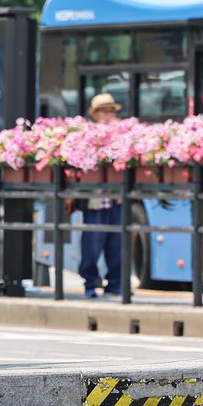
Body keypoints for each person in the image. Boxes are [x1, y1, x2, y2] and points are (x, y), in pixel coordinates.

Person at [80, 92, 124, 298]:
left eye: (111, 111)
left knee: (117, 245)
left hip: (116, 199)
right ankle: (90, 283)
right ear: (95, 114)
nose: (108, 115)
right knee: (92, 246)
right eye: (104, 111)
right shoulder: (87, 136)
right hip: (95, 200)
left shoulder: (122, 135)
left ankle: (114, 284)